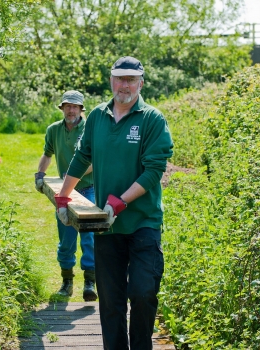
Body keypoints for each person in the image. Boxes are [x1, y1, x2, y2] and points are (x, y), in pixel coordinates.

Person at [55, 57, 174, 349]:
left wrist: (119, 203)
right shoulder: (96, 117)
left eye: (131, 79)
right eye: (120, 78)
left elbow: (153, 171)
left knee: (143, 292)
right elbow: (82, 157)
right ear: (111, 81)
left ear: (141, 83)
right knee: (110, 302)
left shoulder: (152, 119)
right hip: (107, 226)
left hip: (143, 222)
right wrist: (63, 197)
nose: (125, 85)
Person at [35, 90, 97, 302]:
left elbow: (96, 160)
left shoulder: (91, 128)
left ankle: (90, 282)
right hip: (64, 192)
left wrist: (74, 176)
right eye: (67, 106)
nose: (71, 110)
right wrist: (40, 174)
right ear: (62, 108)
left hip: (89, 189)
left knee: (89, 236)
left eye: (75, 106)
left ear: (81, 109)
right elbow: (47, 153)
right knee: (66, 236)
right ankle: (66, 282)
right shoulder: (53, 130)